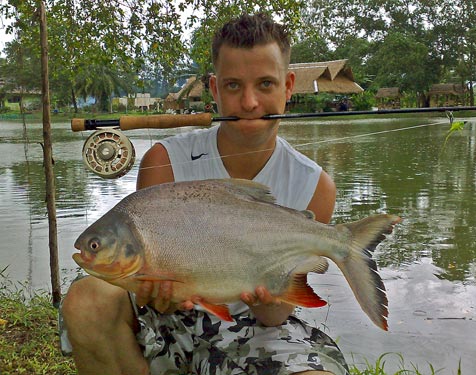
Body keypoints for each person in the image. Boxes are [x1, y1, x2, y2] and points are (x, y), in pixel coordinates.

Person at [61, 13, 349, 375]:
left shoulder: (315, 186)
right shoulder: (165, 160)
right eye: (232, 86)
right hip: (164, 321)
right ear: (214, 89)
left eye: (265, 84)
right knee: (88, 298)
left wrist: (268, 301)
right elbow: (152, 296)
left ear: (288, 85)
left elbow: (276, 314)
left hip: (253, 328)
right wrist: (158, 293)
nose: (249, 102)